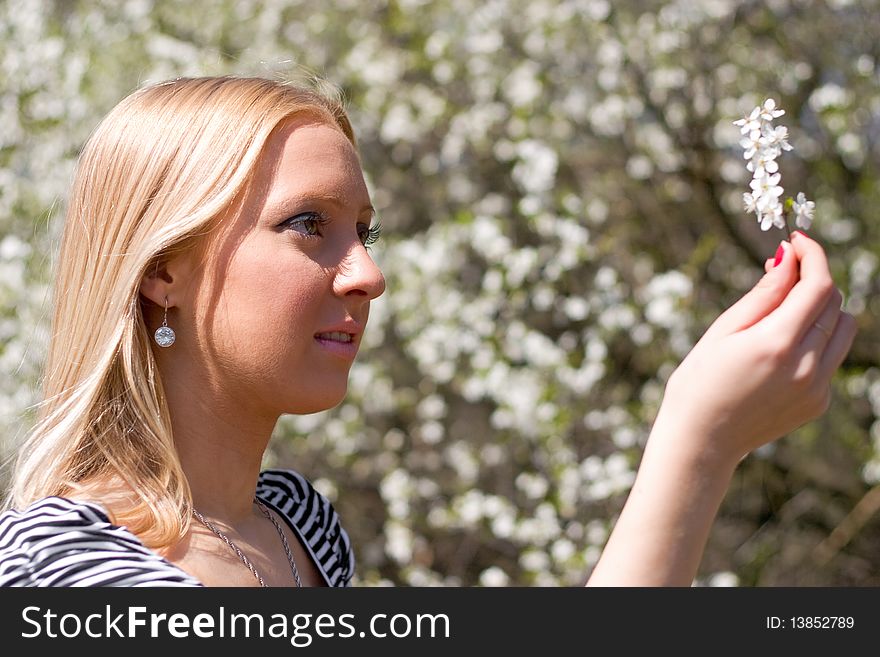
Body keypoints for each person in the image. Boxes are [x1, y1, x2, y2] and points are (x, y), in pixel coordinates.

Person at [0, 76, 857, 587]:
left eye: (364, 233)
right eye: (308, 224)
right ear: (163, 270)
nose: (366, 273)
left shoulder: (300, 528)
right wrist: (697, 445)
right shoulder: (69, 561)